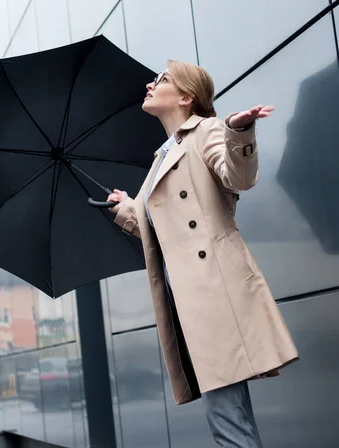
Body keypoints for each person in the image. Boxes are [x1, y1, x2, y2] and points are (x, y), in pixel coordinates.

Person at [107, 60, 299, 448]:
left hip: (217, 297)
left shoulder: (207, 131)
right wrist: (126, 207)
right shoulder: (163, 155)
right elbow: (161, 226)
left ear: (185, 96)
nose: (150, 83)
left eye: (161, 79)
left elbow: (237, 177)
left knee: (228, 423)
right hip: (191, 304)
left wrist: (240, 131)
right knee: (228, 420)